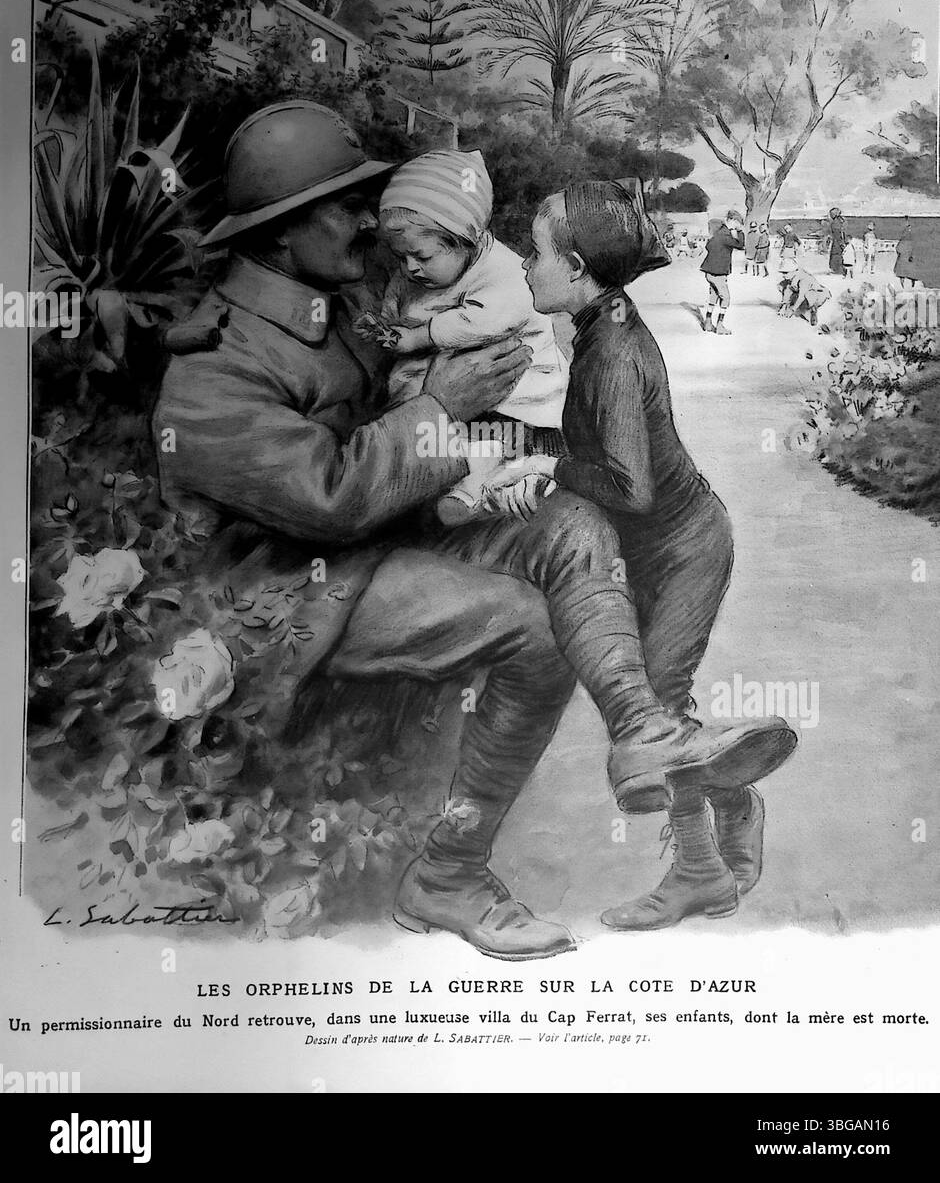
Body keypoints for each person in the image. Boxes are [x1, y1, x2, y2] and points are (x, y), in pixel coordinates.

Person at [154, 101, 584, 961]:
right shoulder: (215, 365)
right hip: (288, 588)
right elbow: (329, 499)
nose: (367, 222)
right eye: (343, 207)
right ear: (280, 234)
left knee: (575, 527)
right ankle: (450, 875)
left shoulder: (339, 306)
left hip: (379, 539)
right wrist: (441, 409)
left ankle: (651, 732)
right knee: (536, 631)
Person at [482, 179, 797, 929]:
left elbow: (630, 486)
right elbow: (601, 447)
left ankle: (701, 869)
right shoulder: (600, 325)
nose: (525, 264)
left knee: (658, 719)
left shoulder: (612, 350)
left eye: (537, 251)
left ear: (577, 267)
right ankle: (724, 824)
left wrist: (546, 466)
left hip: (684, 549)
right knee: (662, 720)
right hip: (654, 547)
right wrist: (528, 448)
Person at [373, 149, 568, 524]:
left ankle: (473, 491)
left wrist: (417, 337)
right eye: (400, 257)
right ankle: (453, 491)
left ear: (467, 240)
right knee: (436, 440)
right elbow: (397, 306)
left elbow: (484, 323)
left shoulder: (503, 272)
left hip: (517, 397)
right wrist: (388, 330)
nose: (410, 268)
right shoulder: (413, 275)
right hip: (455, 389)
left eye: (422, 256)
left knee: (492, 443)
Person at [700, 210, 745, 333]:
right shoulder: (726, 235)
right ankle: (720, 326)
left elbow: (708, 246)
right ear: (732, 220)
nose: (739, 225)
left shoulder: (718, 232)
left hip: (709, 271)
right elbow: (740, 245)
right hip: (718, 272)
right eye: (738, 223)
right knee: (726, 298)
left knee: (713, 296)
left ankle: (708, 323)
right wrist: (739, 232)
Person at [894, 218, 919, 288]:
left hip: (903, 259)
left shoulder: (903, 240)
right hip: (910, 259)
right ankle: (912, 286)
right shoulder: (913, 239)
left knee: (902, 274)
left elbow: (898, 249)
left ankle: (903, 286)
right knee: (912, 274)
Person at [826, 206, 848, 276]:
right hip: (841, 240)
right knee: (841, 255)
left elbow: (837, 234)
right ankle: (840, 269)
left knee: (836, 255)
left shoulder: (835, 223)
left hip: (837, 241)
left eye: (831, 214)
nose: (830, 216)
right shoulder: (842, 221)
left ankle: (837, 270)